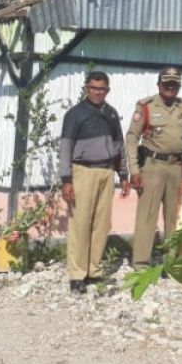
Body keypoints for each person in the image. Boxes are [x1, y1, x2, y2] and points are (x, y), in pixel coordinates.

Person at [59, 71, 129, 295]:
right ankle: (77, 275)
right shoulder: (75, 114)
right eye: (93, 88)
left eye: (102, 89)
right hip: (83, 171)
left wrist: (124, 174)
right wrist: (66, 180)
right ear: (86, 88)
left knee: (101, 223)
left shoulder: (111, 113)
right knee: (80, 223)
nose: (97, 92)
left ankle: (94, 271)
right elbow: (65, 148)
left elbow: (119, 146)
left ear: (107, 90)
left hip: (106, 172)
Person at [126, 66, 182, 268]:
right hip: (153, 166)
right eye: (167, 83)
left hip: (177, 167)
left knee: (174, 216)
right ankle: (141, 263)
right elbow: (132, 137)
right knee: (147, 215)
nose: (170, 87)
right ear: (159, 84)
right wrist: (134, 170)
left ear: (179, 86)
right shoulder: (146, 106)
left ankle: (172, 262)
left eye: (174, 84)